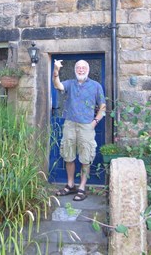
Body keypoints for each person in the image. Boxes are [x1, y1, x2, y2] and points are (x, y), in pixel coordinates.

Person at [52, 59, 106, 201]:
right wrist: (56, 71)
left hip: (86, 126)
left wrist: (95, 122)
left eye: (83, 67)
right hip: (70, 124)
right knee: (68, 155)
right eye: (78, 67)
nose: (80, 70)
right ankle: (70, 185)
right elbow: (57, 85)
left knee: (85, 158)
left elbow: (103, 107)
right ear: (75, 70)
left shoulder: (96, 86)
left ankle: (82, 187)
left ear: (87, 70)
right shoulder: (70, 83)